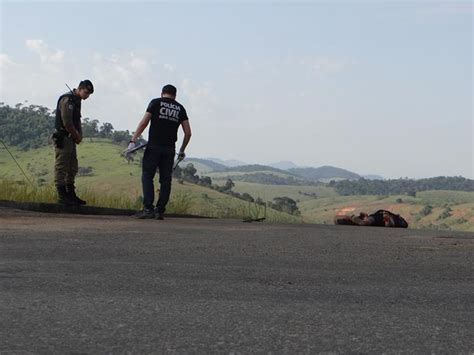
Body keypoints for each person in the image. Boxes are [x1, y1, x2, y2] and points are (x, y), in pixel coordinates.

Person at [129, 84, 192, 219]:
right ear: (175, 96)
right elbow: (188, 133)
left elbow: (143, 123)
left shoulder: (156, 103)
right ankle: (160, 210)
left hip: (153, 146)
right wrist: (181, 150)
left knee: (147, 177)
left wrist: (133, 140)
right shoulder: (180, 108)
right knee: (165, 180)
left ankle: (148, 209)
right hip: (170, 149)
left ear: (162, 93)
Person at [52, 80, 94, 205]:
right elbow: (67, 122)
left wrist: (79, 136)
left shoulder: (77, 101)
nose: (87, 96)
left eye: (89, 94)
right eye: (86, 93)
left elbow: (77, 120)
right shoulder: (67, 100)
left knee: (72, 167)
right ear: (80, 89)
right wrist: (77, 136)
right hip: (63, 137)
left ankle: (71, 193)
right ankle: (62, 194)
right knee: (61, 166)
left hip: (71, 139)